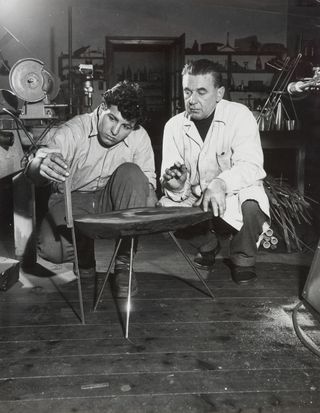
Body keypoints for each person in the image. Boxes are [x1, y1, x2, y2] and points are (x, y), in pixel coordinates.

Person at [25, 80, 157, 297]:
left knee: (134, 173)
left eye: (126, 126)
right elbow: (36, 168)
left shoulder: (139, 136)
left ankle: (125, 263)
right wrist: (41, 164)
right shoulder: (74, 130)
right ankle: (85, 259)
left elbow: (147, 185)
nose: (115, 131)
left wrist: (147, 202)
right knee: (51, 249)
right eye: (112, 119)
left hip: (110, 199)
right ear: (102, 108)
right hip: (73, 199)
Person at [160, 59, 270, 285]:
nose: (192, 100)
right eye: (187, 91)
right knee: (164, 210)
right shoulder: (173, 126)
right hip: (196, 196)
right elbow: (170, 179)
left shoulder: (239, 115)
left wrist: (221, 183)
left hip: (235, 192)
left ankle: (243, 257)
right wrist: (176, 185)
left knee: (252, 205)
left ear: (219, 93)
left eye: (202, 92)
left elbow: (251, 165)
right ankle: (207, 245)